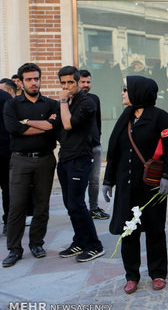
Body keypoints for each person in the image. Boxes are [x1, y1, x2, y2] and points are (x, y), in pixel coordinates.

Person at [102, 76, 168, 294]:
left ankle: (158, 273)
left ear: (138, 91)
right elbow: (114, 153)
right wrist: (108, 181)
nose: (123, 93)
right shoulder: (124, 118)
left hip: (152, 185)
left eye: (126, 89)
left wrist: (167, 176)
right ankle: (131, 275)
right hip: (127, 187)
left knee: (155, 231)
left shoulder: (160, 117)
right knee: (129, 232)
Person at [2, 63, 59, 267]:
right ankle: (14, 249)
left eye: (36, 78)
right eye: (29, 79)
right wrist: (44, 126)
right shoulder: (12, 105)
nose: (34, 82)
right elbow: (13, 128)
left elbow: (55, 127)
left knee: (42, 205)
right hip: (20, 160)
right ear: (21, 82)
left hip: (45, 159)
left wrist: (26, 122)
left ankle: (37, 243)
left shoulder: (51, 104)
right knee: (16, 206)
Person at [56, 66, 105, 262]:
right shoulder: (67, 103)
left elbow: (68, 124)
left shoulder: (87, 102)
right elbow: (56, 126)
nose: (67, 86)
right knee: (70, 204)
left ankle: (94, 244)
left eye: (70, 82)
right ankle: (80, 240)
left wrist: (61, 101)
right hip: (65, 157)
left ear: (78, 82)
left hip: (80, 158)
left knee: (77, 202)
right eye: (63, 83)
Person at [78, 70, 109, 220]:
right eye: (83, 82)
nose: (86, 85)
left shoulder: (94, 99)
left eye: (88, 82)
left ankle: (94, 207)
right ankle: (79, 208)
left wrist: (97, 137)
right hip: (78, 148)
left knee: (94, 180)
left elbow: (97, 121)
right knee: (79, 180)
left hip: (95, 146)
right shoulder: (70, 100)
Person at [0, 81, 14, 235]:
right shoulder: (5, 97)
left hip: (4, 149)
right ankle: (8, 223)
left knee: (7, 188)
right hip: (5, 150)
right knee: (7, 188)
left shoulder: (4, 97)